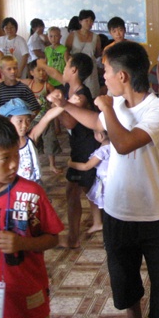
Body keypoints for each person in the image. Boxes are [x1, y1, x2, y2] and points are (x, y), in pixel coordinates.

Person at [47, 40, 159, 318]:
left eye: (106, 71)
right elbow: (97, 124)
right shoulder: (117, 104)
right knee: (123, 273)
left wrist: (107, 107)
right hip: (117, 210)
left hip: (153, 213)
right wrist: (65, 105)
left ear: (123, 76)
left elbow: (123, 143)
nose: (103, 77)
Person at [0, 113, 64, 318]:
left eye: (16, 154)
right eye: (4, 158)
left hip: (28, 291)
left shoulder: (32, 193)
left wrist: (23, 243)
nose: (14, 164)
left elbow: (53, 238)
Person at [40, 54, 101, 248]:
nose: (63, 70)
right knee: (88, 187)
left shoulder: (81, 95)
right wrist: (42, 64)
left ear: (74, 70)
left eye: (66, 66)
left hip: (86, 146)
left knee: (72, 190)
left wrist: (57, 107)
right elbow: (55, 74)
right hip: (78, 144)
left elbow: (70, 122)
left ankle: (73, 239)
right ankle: (98, 222)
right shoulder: (68, 88)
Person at [68, 130, 110, 234]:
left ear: (100, 135)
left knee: (105, 204)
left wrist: (70, 163)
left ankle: (108, 226)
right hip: (112, 180)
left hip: (104, 183)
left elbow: (86, 166)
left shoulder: (103, 150)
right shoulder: (114, 145)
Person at [27, 59, 62, 174]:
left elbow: (55, 105)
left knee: (50, 140)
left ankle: (52, 164)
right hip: (32, 119)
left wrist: (57, 124)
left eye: (43, 70)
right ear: (31, 72)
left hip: (47, 118)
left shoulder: (48, 86)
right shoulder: (28, 85)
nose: (42, 73)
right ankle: (34, 161)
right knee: (34, 141)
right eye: (39, 70)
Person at [65, 9, 102, 98]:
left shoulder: (96, 37)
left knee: (92, 93)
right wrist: (69, 65)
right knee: (75, 93)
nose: (89, 23)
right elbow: (66, 51)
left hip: (90, 68)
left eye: (92, 21)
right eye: (87, 20)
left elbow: (97, 53)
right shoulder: (73, 35)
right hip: (76, 68)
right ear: (80, 21)